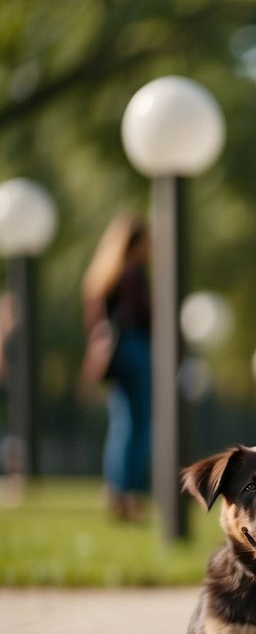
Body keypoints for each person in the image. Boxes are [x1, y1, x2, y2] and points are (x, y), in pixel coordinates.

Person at [81, 214, 152, 520]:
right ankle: (130, 494)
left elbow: (95, 323)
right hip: (136, 348)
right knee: (140, 424)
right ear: (136, 242)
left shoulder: (103, 275)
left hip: (116, 354)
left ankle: (116, 489)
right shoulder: (133, 272)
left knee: (121, 424)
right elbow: (144, 313)